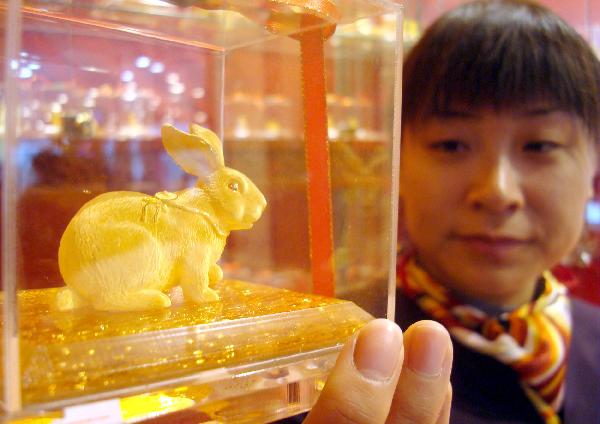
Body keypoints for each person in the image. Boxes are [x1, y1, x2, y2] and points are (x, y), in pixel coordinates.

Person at [303, 0, 600, 423]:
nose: (497, 192)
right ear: (399, 162)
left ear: (594, 168)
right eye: (451, 144)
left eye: (540, 145)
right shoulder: (326, 359)